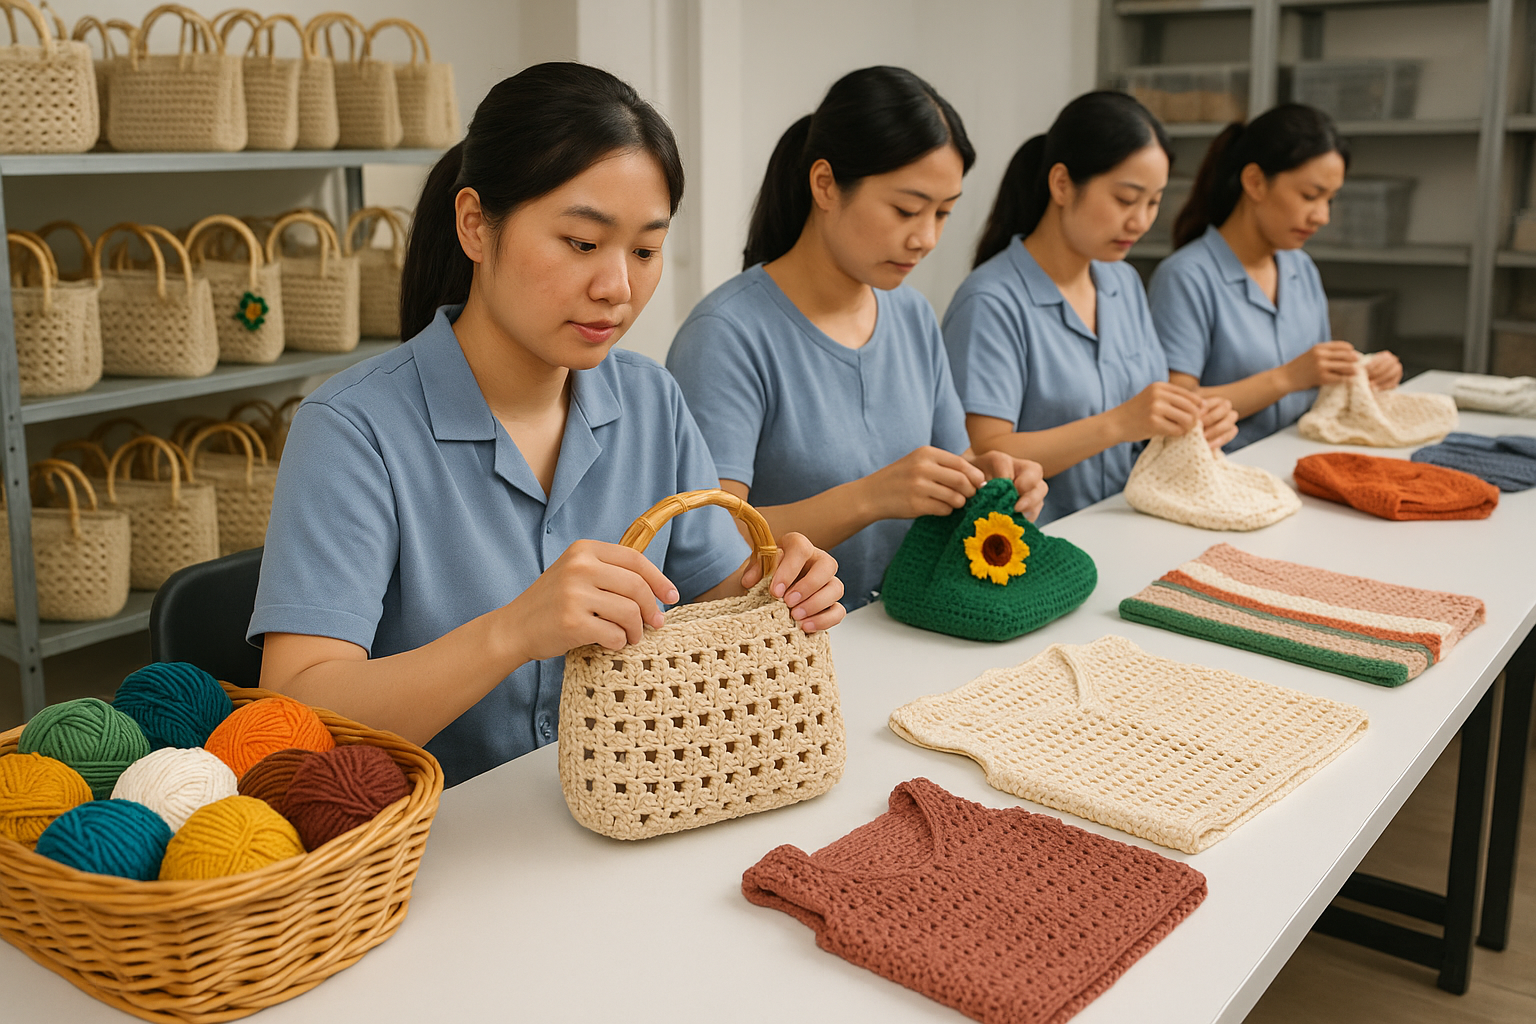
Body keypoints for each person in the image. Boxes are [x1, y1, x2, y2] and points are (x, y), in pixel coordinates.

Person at [249, 64, 845, 788]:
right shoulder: (352, 430)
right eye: (582, 243)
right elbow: (297, 711)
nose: (617, 288)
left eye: (646, 251)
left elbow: (717, 600)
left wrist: (778, 584)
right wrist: (513, 631)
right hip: (426, 849)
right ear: (475, 224)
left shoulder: (652, 400)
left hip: (629, 804)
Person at [666, 66, 1048, 612]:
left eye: (943, 213)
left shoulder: (913, 314)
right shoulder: (727, 335)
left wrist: (993, 485)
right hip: (786, 658)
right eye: (906, 210)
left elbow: (954, 461)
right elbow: (712, 541)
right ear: (825, 184)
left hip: (914, 625)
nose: (927, 238)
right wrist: (871, 497)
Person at [944, 91, 1238, 525]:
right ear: (1062, 184)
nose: (1140, 221)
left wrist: (1190, 420)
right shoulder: (991, 301)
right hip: (1028, 550)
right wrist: (1119, 423)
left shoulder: (1122, 282)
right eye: (1125, 199)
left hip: (1130, 523)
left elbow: (1147, 415)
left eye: (1153, 202)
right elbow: (982, 453)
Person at [1150, 103, 1402, 450]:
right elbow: (1175, 407)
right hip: (1221, 476)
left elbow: (1316, 384)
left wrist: (1360, 373)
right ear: (1254, 182)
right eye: (1310, 196)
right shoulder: (1185, 277)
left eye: (1330, 200)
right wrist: (1287, 378)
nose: (1322, 216)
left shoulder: (1301, 269)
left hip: (1297, 460)